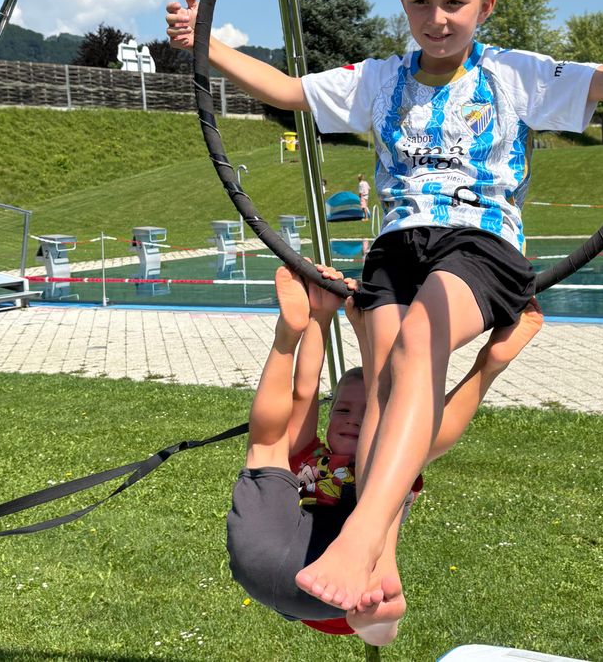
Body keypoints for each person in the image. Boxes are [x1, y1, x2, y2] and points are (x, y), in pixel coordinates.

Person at [167, 0, 603, 610]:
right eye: (421, 3)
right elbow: (286, 90)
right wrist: (207, 41)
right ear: (404, 2)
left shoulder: (513, 74)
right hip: (395, 246)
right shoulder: (380, 80)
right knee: (384, 389)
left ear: (485, 5)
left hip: (479, 242)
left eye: (454, 2)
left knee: (420, 342)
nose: (437, 19)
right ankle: (383, 565)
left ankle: (362, 534)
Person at [227, 261, 543, 645]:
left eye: (361, 414)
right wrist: (319, 320)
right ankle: (291, 330)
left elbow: (368, 397)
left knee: (271, 446)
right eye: (343, 410)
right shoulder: (323, 456)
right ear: (330, 415)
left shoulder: (383, 458)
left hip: (325, 585)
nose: (353, 420)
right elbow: (309, 392)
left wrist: (338, 323)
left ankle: (286, 337)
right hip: (294, 562)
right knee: (402, 437)